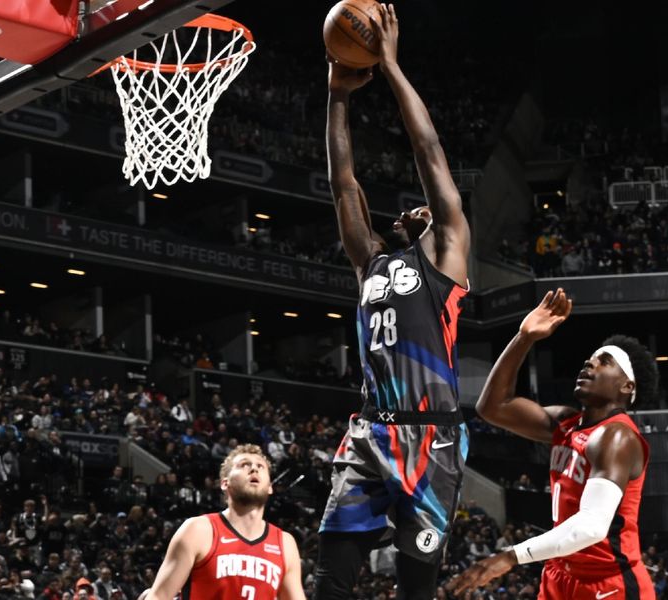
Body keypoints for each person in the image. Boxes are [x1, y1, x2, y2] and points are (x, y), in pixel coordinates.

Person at [314, 5, 471, 600]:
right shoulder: (370, 263)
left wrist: (391, 66)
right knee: (331, 580)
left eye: (425, 212)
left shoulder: (447, 259)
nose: (416, 210)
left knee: (415, 591)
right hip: (368, 436)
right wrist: (336, 96)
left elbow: (428, 150)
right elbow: (342, 183)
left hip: (432, 442)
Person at [449, 289, 658, 599]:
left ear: (627, 386)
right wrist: (524, 337)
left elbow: (591, 526)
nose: (589, 365)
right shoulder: (566, 423)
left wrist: (510, 556)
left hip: (607, 582)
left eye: (604, 362)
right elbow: (493, 407)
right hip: (560, 573)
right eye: (589, 360)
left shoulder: (617, 436)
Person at [140, 444, 304, 600]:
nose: (254, 468)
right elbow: (159, 596)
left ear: (269, 487)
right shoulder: (198, 531)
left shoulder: (285, 543)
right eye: (244, 465)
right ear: (225, 483)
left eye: (260, 466)